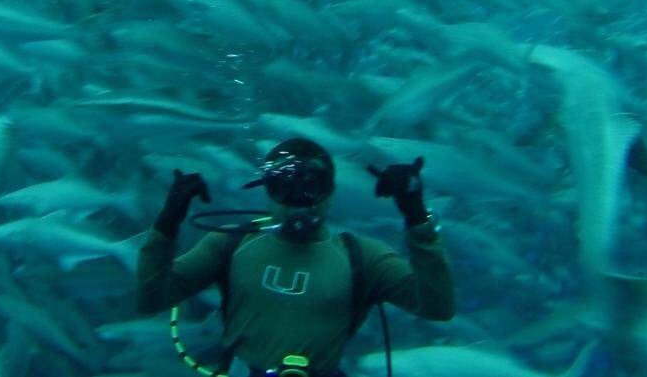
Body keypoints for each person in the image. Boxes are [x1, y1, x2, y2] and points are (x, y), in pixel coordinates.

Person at [136, 137, 455, 377]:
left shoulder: (361, 257)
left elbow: (437, 305)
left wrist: (416, 216)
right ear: (266, 193)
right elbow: (152, 298)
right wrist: (167, 221)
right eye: (282, 187)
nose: (297, 200)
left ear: (330, 192)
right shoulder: (231, 243)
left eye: (311, 185)